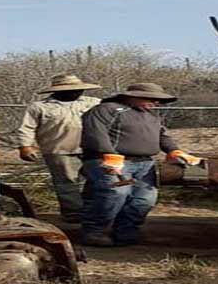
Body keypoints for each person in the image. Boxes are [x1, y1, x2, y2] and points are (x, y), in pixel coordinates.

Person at [78, 82, 203, 246]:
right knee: (115, 194)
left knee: (144, 199)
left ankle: (126, 231)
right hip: (111, 162)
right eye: (151, 98)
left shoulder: (151, 116)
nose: (156, 103)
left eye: (158, 100)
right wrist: (108, 155)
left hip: (144, 163)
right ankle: (95, 231)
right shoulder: (106, 109)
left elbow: (162, 136)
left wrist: (174, 151)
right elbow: (95, 133)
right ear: (133, 96)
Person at [14, 74, 102, 223]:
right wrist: (25, 146)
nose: (76, 92)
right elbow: (27, 127)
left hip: (92, 148)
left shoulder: (94, 103)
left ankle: (92, 210)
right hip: (59, 149)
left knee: (97, 180)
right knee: (67, 183)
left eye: (78, 89)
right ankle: (74, 214)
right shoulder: (40, 106)